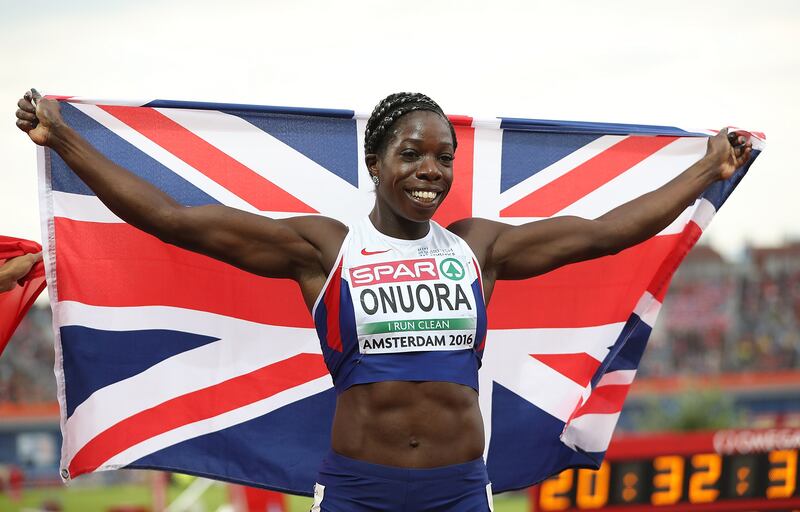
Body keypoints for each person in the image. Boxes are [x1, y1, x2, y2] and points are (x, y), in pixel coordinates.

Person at [15, 90, 751, 511]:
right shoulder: (324, 250)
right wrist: (65, 143)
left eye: (443, 158)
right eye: (411, 154)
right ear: (374, 163)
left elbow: (602, 233)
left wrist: (705, 172)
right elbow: (173, 222)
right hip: (360, 492)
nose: (430, 171)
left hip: (461, 491)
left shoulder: (478, 248)